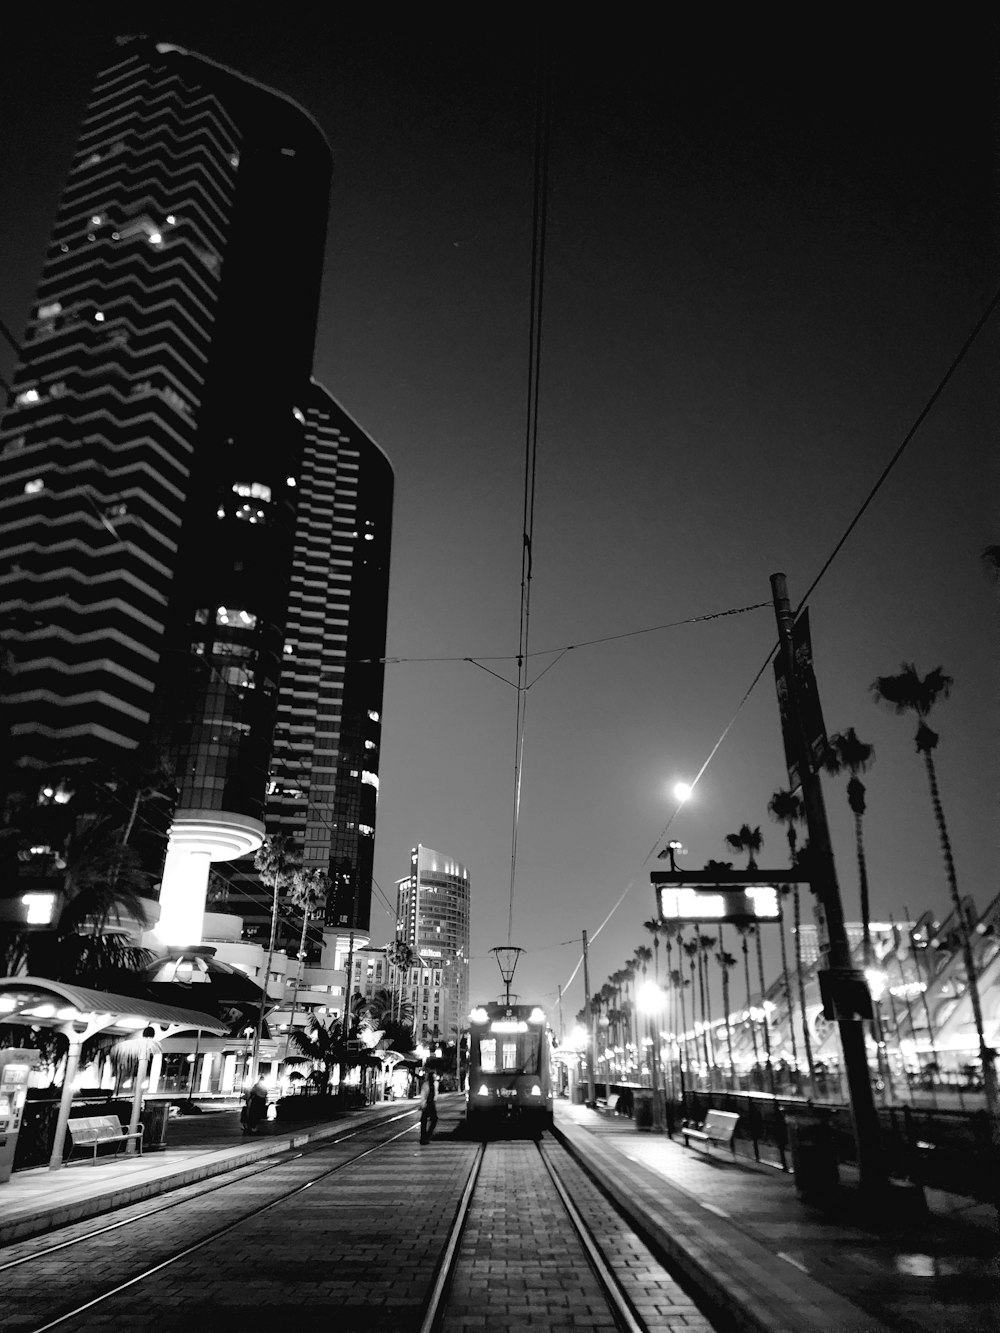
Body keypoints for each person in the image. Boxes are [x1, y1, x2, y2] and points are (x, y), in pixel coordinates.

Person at [419, 1069, 438, 1144]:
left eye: (434, 1077)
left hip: (432, 1104)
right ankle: (423, 1137)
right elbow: (423, 1095)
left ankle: (427, 1135)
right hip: (427, 1104)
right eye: (433, 1077)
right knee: (424, 1121)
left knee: (434, 1119)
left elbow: (436, 1092)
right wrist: (422, 1105)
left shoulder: (436, 1084)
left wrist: (435, 1100)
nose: (434, 1078)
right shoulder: (425, 1085)